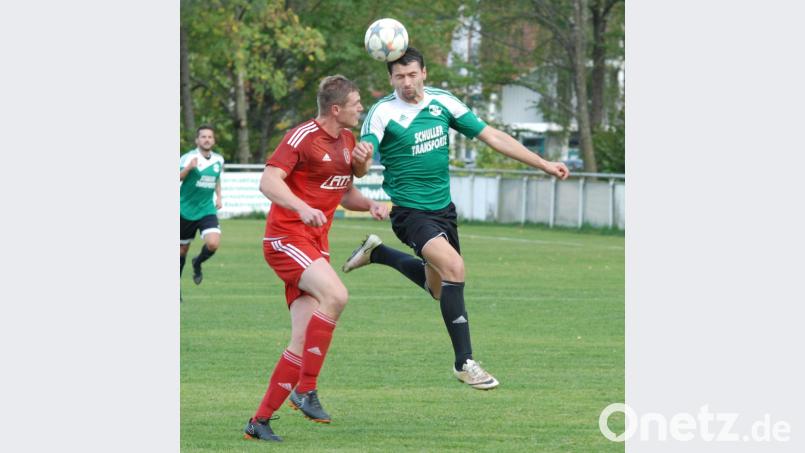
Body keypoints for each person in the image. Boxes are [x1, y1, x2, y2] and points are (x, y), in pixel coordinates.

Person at [343, 47, 570, 391]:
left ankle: (379, 253)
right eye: (399, 76)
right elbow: (360, 168)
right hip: (410, 213)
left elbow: (492, 136)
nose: (407, 82)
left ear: (424, 73)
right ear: (390, 78)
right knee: (454, 268)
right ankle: (464, 363)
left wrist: (543, 163)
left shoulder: (443, 103)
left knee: (438, 289)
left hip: (444, 212)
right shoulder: (382, 113)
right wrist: (361, 158)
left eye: (412, 74)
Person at [243, 75, 388, 442]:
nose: (361, 108)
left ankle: (259, 422)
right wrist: (301, 207)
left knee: (302, 338)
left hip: (315, 244)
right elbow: (268, 181)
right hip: (286, 238)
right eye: (356, 103)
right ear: (336, 109)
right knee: (337, 295)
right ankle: (306, 389)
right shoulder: (302, 137)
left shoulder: (349, 141)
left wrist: (370, 203)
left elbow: (345, 192)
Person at [180, 125, 224, 290]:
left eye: (209, 137)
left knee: (213, 243)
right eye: (203, 137)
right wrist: (188, 168)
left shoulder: (219, 160)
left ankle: (197, 262)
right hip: (185, 210)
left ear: (214, 140)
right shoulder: (188, 158)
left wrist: (219, 196)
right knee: (182, 250)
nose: (207, 140)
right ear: (197, 140)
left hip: (206, 209)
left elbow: (217, 178)